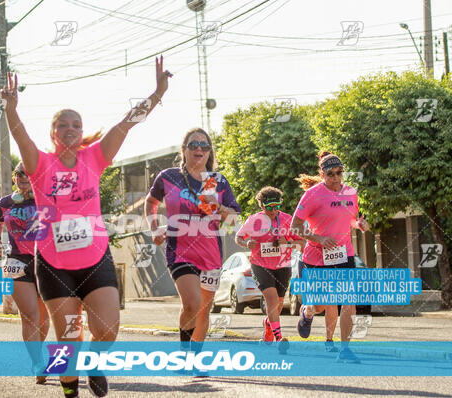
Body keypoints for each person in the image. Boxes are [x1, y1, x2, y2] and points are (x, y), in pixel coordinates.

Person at [0, 56, 171, 398]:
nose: (70, 129)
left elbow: (126, 123)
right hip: (54, 265)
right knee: (67, 337)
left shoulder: (94, 158)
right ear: (53, 133)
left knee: (107, 329)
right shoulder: (40, 164)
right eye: (62, 125)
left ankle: (95, 363)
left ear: (81, 132)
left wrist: (157, 92)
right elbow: (19, 137)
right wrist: (11, 109)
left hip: (95, 259)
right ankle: (69, 391)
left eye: (76, 124)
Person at [145, 128, 241, 365]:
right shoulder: (168, 177)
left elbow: (233, 218)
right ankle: (184, 355)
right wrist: (155, 228)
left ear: (209, 152)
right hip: (181, 251)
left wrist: (218, 208)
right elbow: (151, 202)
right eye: (193, 144)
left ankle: (194, 361)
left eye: (204, 145)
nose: (199, 148)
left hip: (211, 254)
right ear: (184, 150)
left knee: (203, 312)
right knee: (192, 303)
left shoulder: (216, 181)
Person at [290, 151, 370, 363]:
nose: (335, 177)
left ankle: (345, 350)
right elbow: (295, 227)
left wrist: (359, 225)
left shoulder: (351, 193)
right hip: (316, 257)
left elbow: (351, 219)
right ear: (322, 173)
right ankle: (307, 313)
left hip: (344, 254)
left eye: (339, 173)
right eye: (330, 173)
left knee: (348, 301)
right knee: (322, 305)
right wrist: (319, 238)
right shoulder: (312, 195)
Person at [0, 162, 50, 385]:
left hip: (46, 261)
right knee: (30, 315)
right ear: (14, 177)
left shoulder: (47, 198)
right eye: (20, 174)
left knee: (44, 318)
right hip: (16, 260)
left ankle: (37, 352)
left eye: (30, 174)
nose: (24, 177)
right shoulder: (5, 203)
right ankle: (37, 363)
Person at [235, 187, 304, 353]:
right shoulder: (254, 220)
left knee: (278, 305)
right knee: (272, 300)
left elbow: (302, 244)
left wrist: (287, 243)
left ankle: (268, 324)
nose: (273, 211)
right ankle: (280, 339)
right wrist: (247, 244)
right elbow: (238, 237)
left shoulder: (288, 220)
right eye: (269, 207)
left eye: (276, 206)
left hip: (283, 266)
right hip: (260, 265)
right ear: (261, 206)